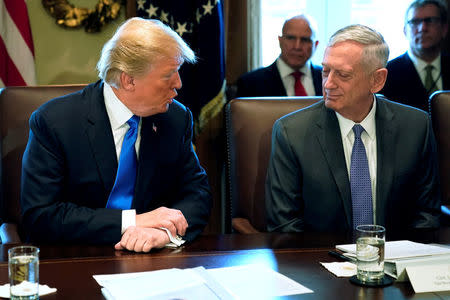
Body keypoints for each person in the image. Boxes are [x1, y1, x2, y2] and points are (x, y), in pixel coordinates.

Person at [20, 18, 212, 252]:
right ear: (128, 79)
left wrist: (163, 233)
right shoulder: (54, 123)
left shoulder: (175, 119)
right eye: (168, 75)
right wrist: (132, 221)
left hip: (151, 260)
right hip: (73, 258)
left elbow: (198, 194)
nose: (179, 84)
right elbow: (41, 216)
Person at [265, 24, 441, 234]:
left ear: (377, 80)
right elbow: (285, 225)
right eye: (326, 71)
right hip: (319, 259)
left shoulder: (416, 126)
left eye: (343, 75)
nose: (328, 84)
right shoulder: (290, 132)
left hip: (396, 258)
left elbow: (427, 214)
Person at [381, 0, 449, 112]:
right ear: (405, 31)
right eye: (414, 22)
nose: (422, 28)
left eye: (430, 21)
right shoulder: (387, 73)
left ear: (444, 29)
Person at [235, 14, 322, 97]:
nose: (297, 46)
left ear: (316, 45)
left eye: (305, 40)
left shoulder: (328, 79)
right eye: (291, 38)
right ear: (280, 41)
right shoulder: (250, 83)